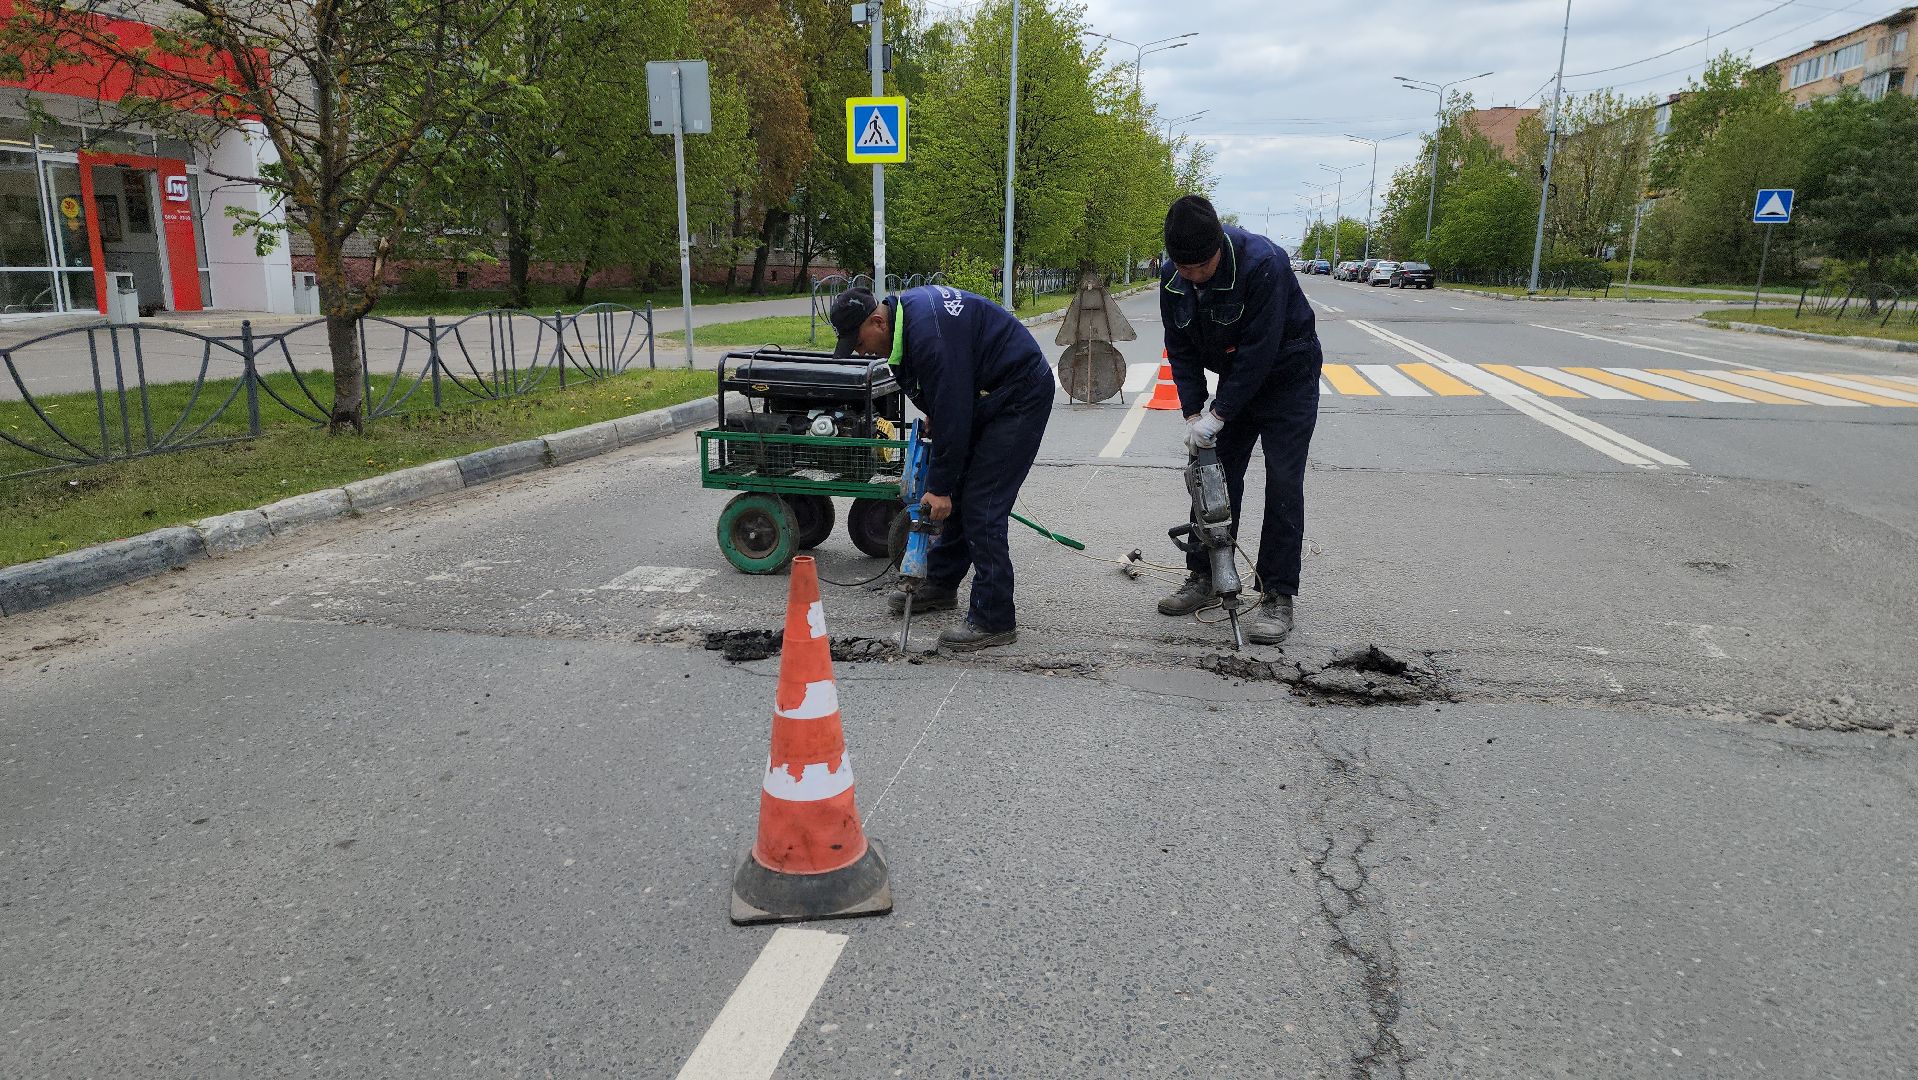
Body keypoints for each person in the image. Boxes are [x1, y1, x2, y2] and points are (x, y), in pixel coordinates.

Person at [829, 284, 1053, 652]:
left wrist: (940, 488)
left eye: (859, 341)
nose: (860, 350)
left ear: (878, 322)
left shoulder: (928, 335)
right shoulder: (905, 325)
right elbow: (945, 396)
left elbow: (955, 412)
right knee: (963, 491)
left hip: (1019, 394)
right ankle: (942, 583)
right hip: (986, 392)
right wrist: (936, 411)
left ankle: (994, 618)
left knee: (982, 503)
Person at [1155, 194, 1323, 645]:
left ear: (1218, 248)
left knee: (1283, 481)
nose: (1192, 276)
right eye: (1183, 267)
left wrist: (1220, 413)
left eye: (1200, 267)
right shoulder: (1173, 278)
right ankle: (1205, 575)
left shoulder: (1263, 264)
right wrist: (1194, 413)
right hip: (1237, 377)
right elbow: (1181, 348)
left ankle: (1276, 592)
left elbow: (1259, 352)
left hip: (1288, 374)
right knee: (1212, 474)